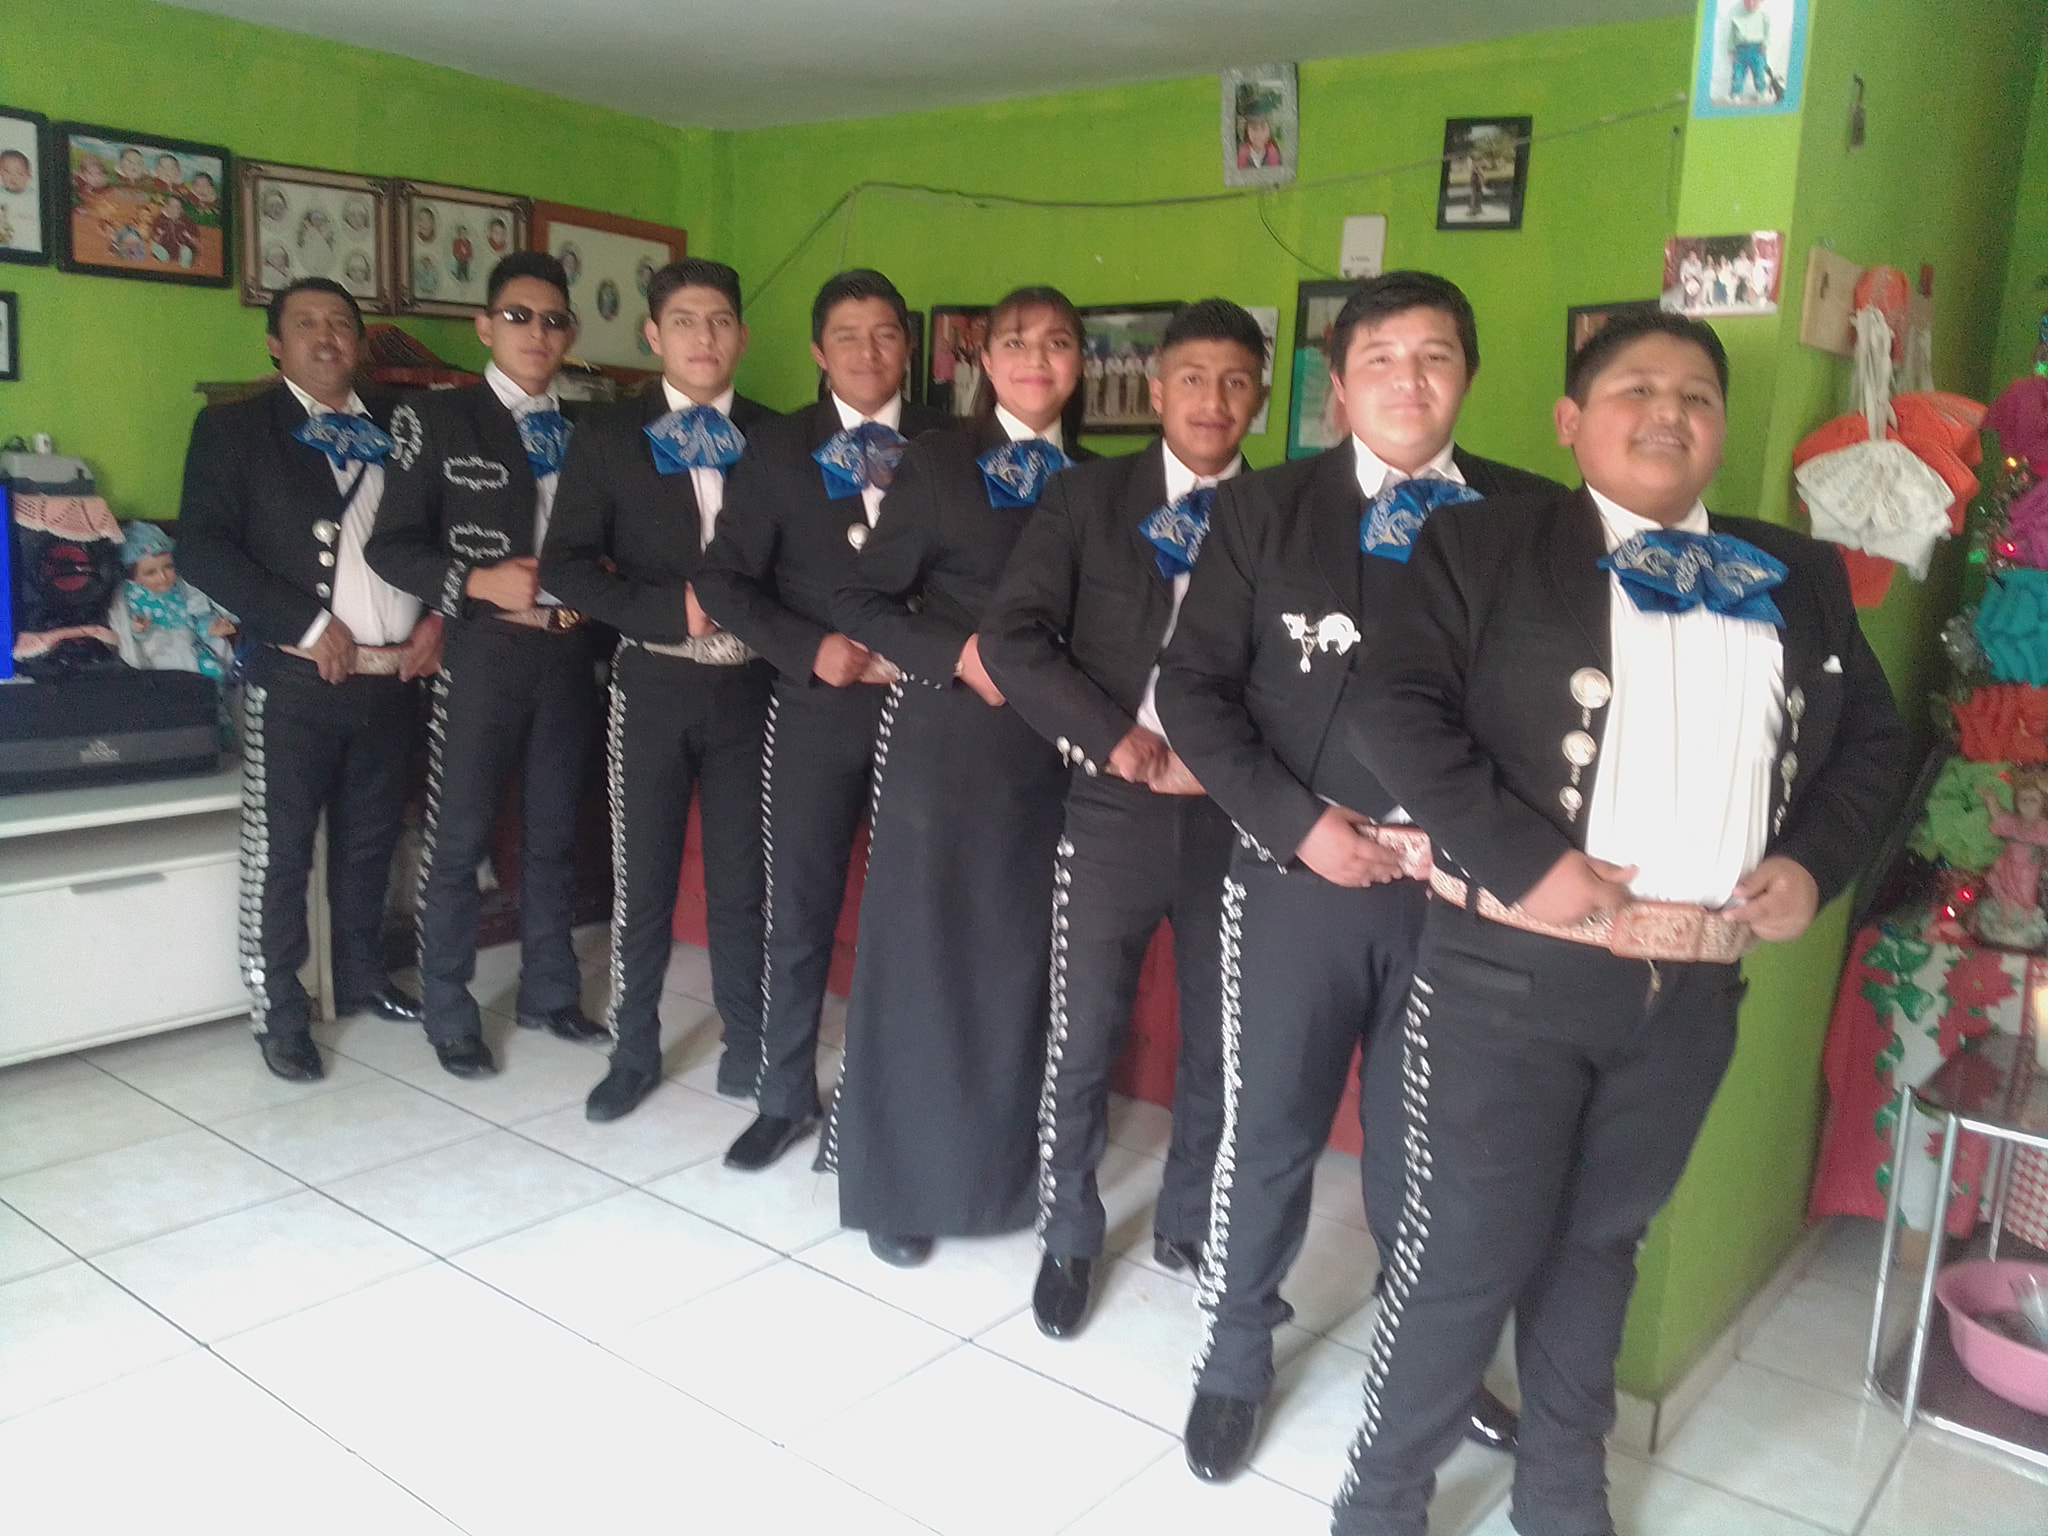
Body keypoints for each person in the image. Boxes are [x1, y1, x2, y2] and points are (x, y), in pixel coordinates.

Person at [1331, 309, 1907, 1536]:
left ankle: (1558, 1489)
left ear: (1720, 429)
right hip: (1506, 978)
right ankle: (1380, 1500)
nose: (1666, 413)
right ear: (1569, 421)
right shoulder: (1477, 544)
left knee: (1600, 1244)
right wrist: (1523, 861)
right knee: (1462, 1252)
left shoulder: (1794, 572)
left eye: (1695, 395)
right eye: (1634, 389)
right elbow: (1392, 709)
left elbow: (1871, 741)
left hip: (1689, 991)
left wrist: (1812, 865)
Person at [1155, 271, 1555, 1483]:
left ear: (1467, 375)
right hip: (1298, 880)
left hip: (1460, 898)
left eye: (1433, 356)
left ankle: (1432, 1370)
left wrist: (1493, 848)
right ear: (1336, 384)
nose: (1407, 380)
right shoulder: (1263, 510)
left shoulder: (1530, 518)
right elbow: (1192, 693)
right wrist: (1296, 826)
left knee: (1427, 1150)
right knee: (1266, 1129)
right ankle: (1232, 1357)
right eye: (1379, 358)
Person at [981, 298, 1265, 1338]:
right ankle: (1068, 1227)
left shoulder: (1282, 513)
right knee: (1085, 1025)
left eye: (1234, 381)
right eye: (1191, 377)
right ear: (1154, 390)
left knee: (1220, 1033)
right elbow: (1012, 638)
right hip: (1115, 803)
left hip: (1237, 810)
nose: (1211, 399)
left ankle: (1188, 1218)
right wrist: (1114, 739)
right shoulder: (1087, 498)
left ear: (1259, 398)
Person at [824, 285, 1092, 1267]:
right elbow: (859, 599)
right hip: (949, 743)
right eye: (1016, 342)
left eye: (1057, 343)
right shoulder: (939, 462)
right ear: (986, 360)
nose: (1036, 359)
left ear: (1079, 363)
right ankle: (896, 1183)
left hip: (1055, 758)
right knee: (922, 962)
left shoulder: (1102, 480)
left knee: (1018, 968)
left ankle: (998, 1175)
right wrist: (956, 654)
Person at [694, 268, 949, 1165]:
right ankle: (784, 1094)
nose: (867, 352)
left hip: (929, 712)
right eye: (847, 335)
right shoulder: (775, 449)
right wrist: (808, 648)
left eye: (884, 333)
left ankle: (890, 1108)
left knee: (914, 916)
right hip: (819, 709)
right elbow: (723, 581)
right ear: (817, 351)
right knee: (798, 906)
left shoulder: (951, 443)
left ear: (907, 345)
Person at [178, 277, 441, 1083]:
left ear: (358, 342)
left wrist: (438, 616)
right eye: (306, 324)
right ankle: (279, 1010)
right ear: (275, 344)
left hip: (393, 676)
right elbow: (202, 549)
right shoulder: (234, 427)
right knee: (281, 851)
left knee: (371, 841)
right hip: (294, 679)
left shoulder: (404, 424)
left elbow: (440, 530)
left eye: (340, 324)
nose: (326, 337)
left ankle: (362, 977)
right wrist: (305, 624)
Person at [541, 257, 781, 1123]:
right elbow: (566, 566)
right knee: (641, 878)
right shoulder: (609, 434)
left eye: (718, 320)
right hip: (652, 681)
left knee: (742, 877)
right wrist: (665, 608)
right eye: (684, 321)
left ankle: (748, 1043)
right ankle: (633, 1050)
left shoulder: (778, 435)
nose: (702, 337)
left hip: (753, 686)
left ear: (741, 336)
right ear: (653, 335)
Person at [367, 251, 605, 1080]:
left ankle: (550, 991)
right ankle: (448, 1009)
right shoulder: (436, 419)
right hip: (481, 654)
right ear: (484, 326)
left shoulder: (592, 431)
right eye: (517, 315)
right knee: (458, 837)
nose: (536, 332)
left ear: (569, 334)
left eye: (552, 319)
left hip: (567, 652)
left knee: (553, 833)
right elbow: (391, 545)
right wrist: (473, 582)